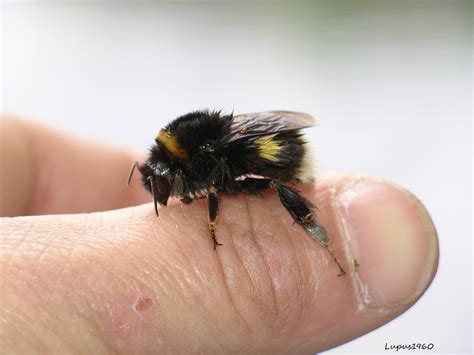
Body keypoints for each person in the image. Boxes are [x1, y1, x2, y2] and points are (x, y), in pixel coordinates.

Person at [0, 117, 438, 353]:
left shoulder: (200, 159)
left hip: (273, 153)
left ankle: (316, 233)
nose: (165, 193)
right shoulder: (183, 154)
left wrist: (212, 227)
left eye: (165, 185)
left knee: (269, 189)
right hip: (257, 145)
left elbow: (214, 181)